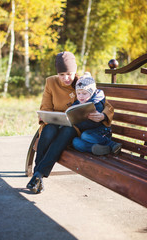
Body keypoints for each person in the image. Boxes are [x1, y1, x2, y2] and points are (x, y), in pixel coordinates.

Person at [26, 51, 114, 194]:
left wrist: (103, 116)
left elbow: (106, 105)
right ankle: (38, 175)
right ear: (57, 73)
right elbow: (46, 107)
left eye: (69, 74)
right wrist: (46, 117)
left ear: (75, 70)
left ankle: (37, 174)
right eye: (61, 74)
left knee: (67, 130)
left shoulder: (83, 83)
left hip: (74, 128)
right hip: (54, 124)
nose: (66, 78)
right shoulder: (51, 82)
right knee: (49, 130)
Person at [72, 74, 122, 154]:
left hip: (100, 132)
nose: (81, 96)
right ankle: (95, 148)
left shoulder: (96, 103)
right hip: (88, 135)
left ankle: (112, 145)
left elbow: (93, 123)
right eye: (78, 93)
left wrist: (76, 123)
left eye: (84, 94)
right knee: (75, 141)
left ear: (91, 93)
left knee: (85, 135)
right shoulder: (77, 103)